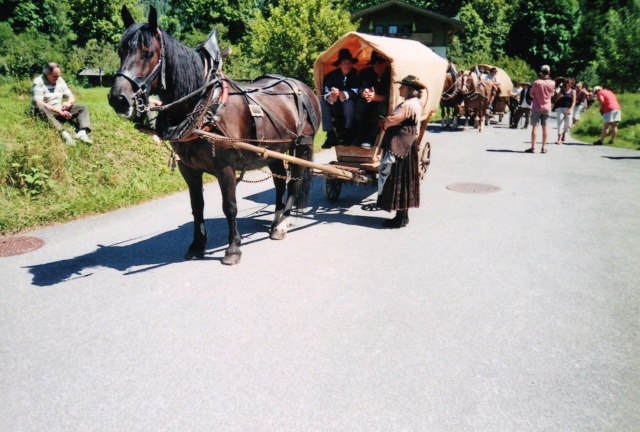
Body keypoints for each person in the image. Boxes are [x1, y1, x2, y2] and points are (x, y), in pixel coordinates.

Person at [377, 75, 424, 228]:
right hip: (404, 145)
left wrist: (386, 121)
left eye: (402, 87)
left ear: (411, 89)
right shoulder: (412, 103)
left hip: (400, 146)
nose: (400, 89)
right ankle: (402, 216)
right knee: (403, 180)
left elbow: (392, 121)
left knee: (399, 179)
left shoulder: (409, 105)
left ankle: (400, 218)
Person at [31, 62, 93, 145]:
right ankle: (63, 133)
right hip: (46, 111)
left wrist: (69, 103)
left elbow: (71, 96)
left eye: (59, 75)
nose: (57, 78)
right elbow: (38, 102)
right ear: (47, 73)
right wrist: (58, 110)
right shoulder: (38, 82)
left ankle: (82, 133)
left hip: (60, 110)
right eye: (54, 76)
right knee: (41, 107)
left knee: (82, 107)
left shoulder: (60, 80)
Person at [320, 49, 361, 148]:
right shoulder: (331, 76)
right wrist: (330, 97)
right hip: (334, 104)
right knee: (323, 104)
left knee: (348, 104)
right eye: (344, 63)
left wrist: (340, 94)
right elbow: (325, 91)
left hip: (350, 106)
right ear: (340, 64)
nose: (347, 65)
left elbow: (355, 92)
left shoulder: (356, 75)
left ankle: (347, 132)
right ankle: (330, 134)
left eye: (349, 63)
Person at [355, 51, 391, 149]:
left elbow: (391, 95)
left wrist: (376, 97)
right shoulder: (365, 73)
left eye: (380, 62)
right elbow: (360, 88)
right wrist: (364, 92)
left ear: (386, 63)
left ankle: (371, 138)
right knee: (359, 104)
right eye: (374, 63)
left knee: (380, 108)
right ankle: (359, 136)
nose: (376, 65)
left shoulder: (391, 74)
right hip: (368, 101)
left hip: (386, 103)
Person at [525, 65, 555, 154]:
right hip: (547, 107)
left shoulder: (536, 82)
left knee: (535, 127)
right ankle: (543, 147)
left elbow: (531, 94)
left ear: (541, 72)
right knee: (545, 127)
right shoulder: (552, 83)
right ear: (549, 72)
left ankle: (533, 147)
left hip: (536, 107)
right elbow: (552, 94)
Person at [554, 78, 575, 144]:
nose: (569, 84)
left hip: (569, 109)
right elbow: (556, 100)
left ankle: (564, 133)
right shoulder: (562, 90)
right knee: (560, 123)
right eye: (568, 82)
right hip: (561, 108)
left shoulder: (573, 91)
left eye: (571, 83)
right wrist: (559, 96)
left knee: (568, 125)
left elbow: (574, 101)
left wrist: (571, 109)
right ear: (565, 83)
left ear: (572, 84)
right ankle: (559, 138)